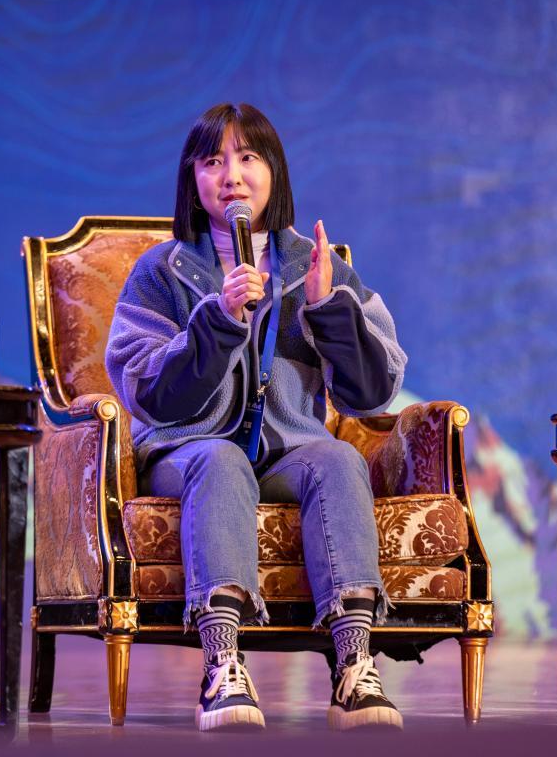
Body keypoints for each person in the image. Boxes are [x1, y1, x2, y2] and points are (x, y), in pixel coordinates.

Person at [105, 102, 408, 732]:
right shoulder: (161, 271)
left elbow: (373, 393)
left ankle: (354, 665)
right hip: (189, 451)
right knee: (220, 460)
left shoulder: (316, 265)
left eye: (248, 157)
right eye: (213, 161)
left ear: (274, 171)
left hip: (284, 453)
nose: (232, 176)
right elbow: (148, 391)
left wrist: (329, 309)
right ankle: (222, 663)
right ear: (193, 178)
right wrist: (217, 320)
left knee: (337, 458)